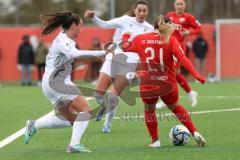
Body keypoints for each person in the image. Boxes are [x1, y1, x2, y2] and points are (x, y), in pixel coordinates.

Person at [23, 11, 107, 153]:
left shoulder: (65, 39)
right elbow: (74, 54)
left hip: (49, 83)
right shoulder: (63, 41)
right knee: (85, 111)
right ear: (73, 25)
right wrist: (102, 52)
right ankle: (74, 145)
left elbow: (74, 54)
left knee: (72, 120)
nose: (81, 30)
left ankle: (34, 125)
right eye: (80, 27)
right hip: (57, 83)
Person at [122, 15, 206, 148]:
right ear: (166, 26)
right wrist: (196, 75)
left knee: (149, 110)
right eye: (171, 26)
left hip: (149, 83)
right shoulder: (171, 40)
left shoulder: (140, 39)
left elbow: (125, 47)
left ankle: (155, 141)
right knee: (176, 107)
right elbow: (182, 58)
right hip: (168, 83)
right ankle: (194, 132)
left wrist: (126, 36)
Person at [84, 0, 154, 133]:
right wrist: (94, 17)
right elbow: (106, 24)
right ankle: (103, 106)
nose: (142, 13)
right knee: (98, 94)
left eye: (144, 11)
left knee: (113, 96)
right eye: (139, 10)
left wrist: (140, 70)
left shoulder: (149, 29)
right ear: (135, 10)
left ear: (147, 12)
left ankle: (107, 124)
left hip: (130, 64)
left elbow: (149, 50)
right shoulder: (125, 20)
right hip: (113, 58)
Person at [156, 0, 202, 109]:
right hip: (167, 45)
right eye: (178, 4)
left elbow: (199, 28)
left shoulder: (189, 17)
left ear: (184, 6)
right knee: (173, 73)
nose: (179, 6)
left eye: (181, 4)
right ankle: (190, 92)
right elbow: (161, 27)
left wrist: (189, 32)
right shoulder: (169, 15)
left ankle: (166, 99)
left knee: (171, 72)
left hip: (179, 46)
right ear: (174, 5)